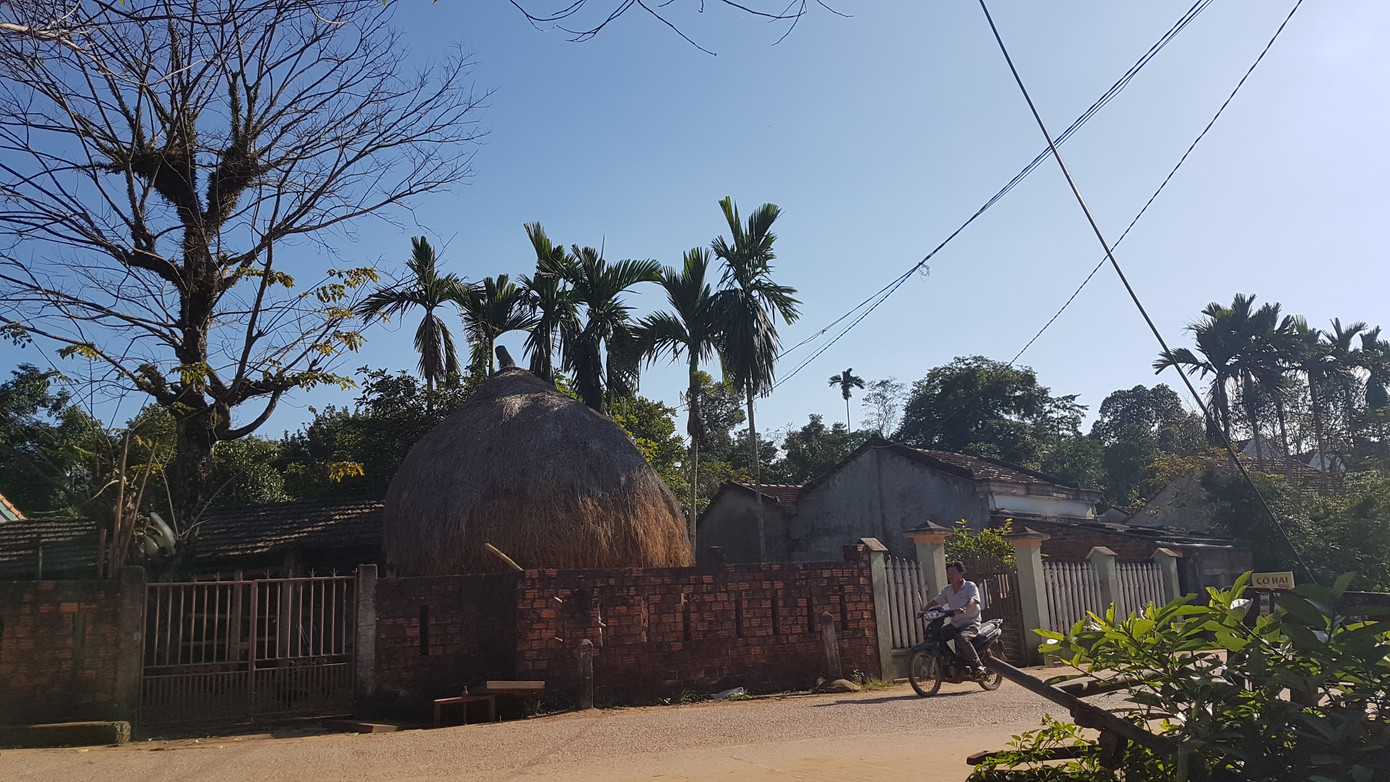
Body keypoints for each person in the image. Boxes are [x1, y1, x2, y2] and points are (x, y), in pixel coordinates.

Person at [921, 560, 987, 676]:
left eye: (953, 572)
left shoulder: (969, 586)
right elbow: (936, 601)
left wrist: (964, 608)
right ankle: (952, 661)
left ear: (961, 574)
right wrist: (924, 610)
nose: (950, 575)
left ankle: (978, 664)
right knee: (937, 635)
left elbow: (974, 600)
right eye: (948, 572)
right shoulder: (948, 590)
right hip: (956, 624)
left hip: (971, 623)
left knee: (961, 638)